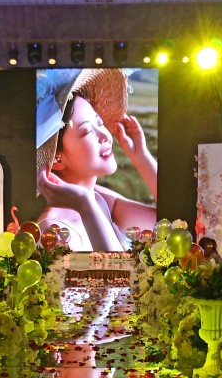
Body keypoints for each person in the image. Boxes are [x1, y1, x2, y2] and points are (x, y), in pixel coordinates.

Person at [34, 69, 157, 251]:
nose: (105, 135)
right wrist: (85, 205)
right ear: (56, 159)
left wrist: (141, 157)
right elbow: (113, 269)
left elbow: (173, 224)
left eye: (99, 123)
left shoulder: (100, 199)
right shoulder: (53, 230)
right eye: (87, 131)